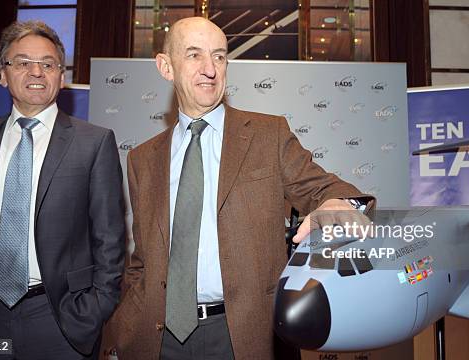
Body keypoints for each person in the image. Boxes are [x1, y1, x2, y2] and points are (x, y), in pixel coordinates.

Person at [109, 17, 374, 360]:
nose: (210, 69)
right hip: (157, 340)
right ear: (166, 66)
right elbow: (142, 260)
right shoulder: (142, 159)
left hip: (247, 338)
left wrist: (336, 203)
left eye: (219, 57)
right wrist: (124, 329)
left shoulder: (268, 135)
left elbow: (325, 188)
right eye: (194, 55)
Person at [0, 21, 125, 359]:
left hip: (60, 322)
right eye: (23, 62)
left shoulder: (94, 143)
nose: (37, 72)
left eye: (48, 64)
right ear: (3, 73)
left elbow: (110, 241)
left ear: (61, 77)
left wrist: (91, 312)